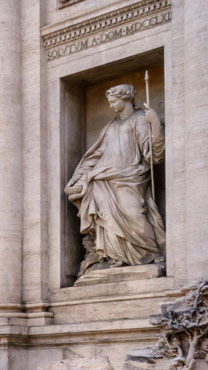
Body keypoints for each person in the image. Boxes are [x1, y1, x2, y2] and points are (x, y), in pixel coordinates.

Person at [65, 83, 165, 277]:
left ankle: (152, 253)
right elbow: (95, 156)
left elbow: (154, 155)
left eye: (113, 102)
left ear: (125, 98)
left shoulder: (140, 120)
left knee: (135, 214)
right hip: (104, 180)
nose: (110, 106)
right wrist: (78, 179)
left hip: (131, 177)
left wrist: (155, 125)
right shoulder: (110, 127)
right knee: (106, 219)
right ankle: (114, 256)